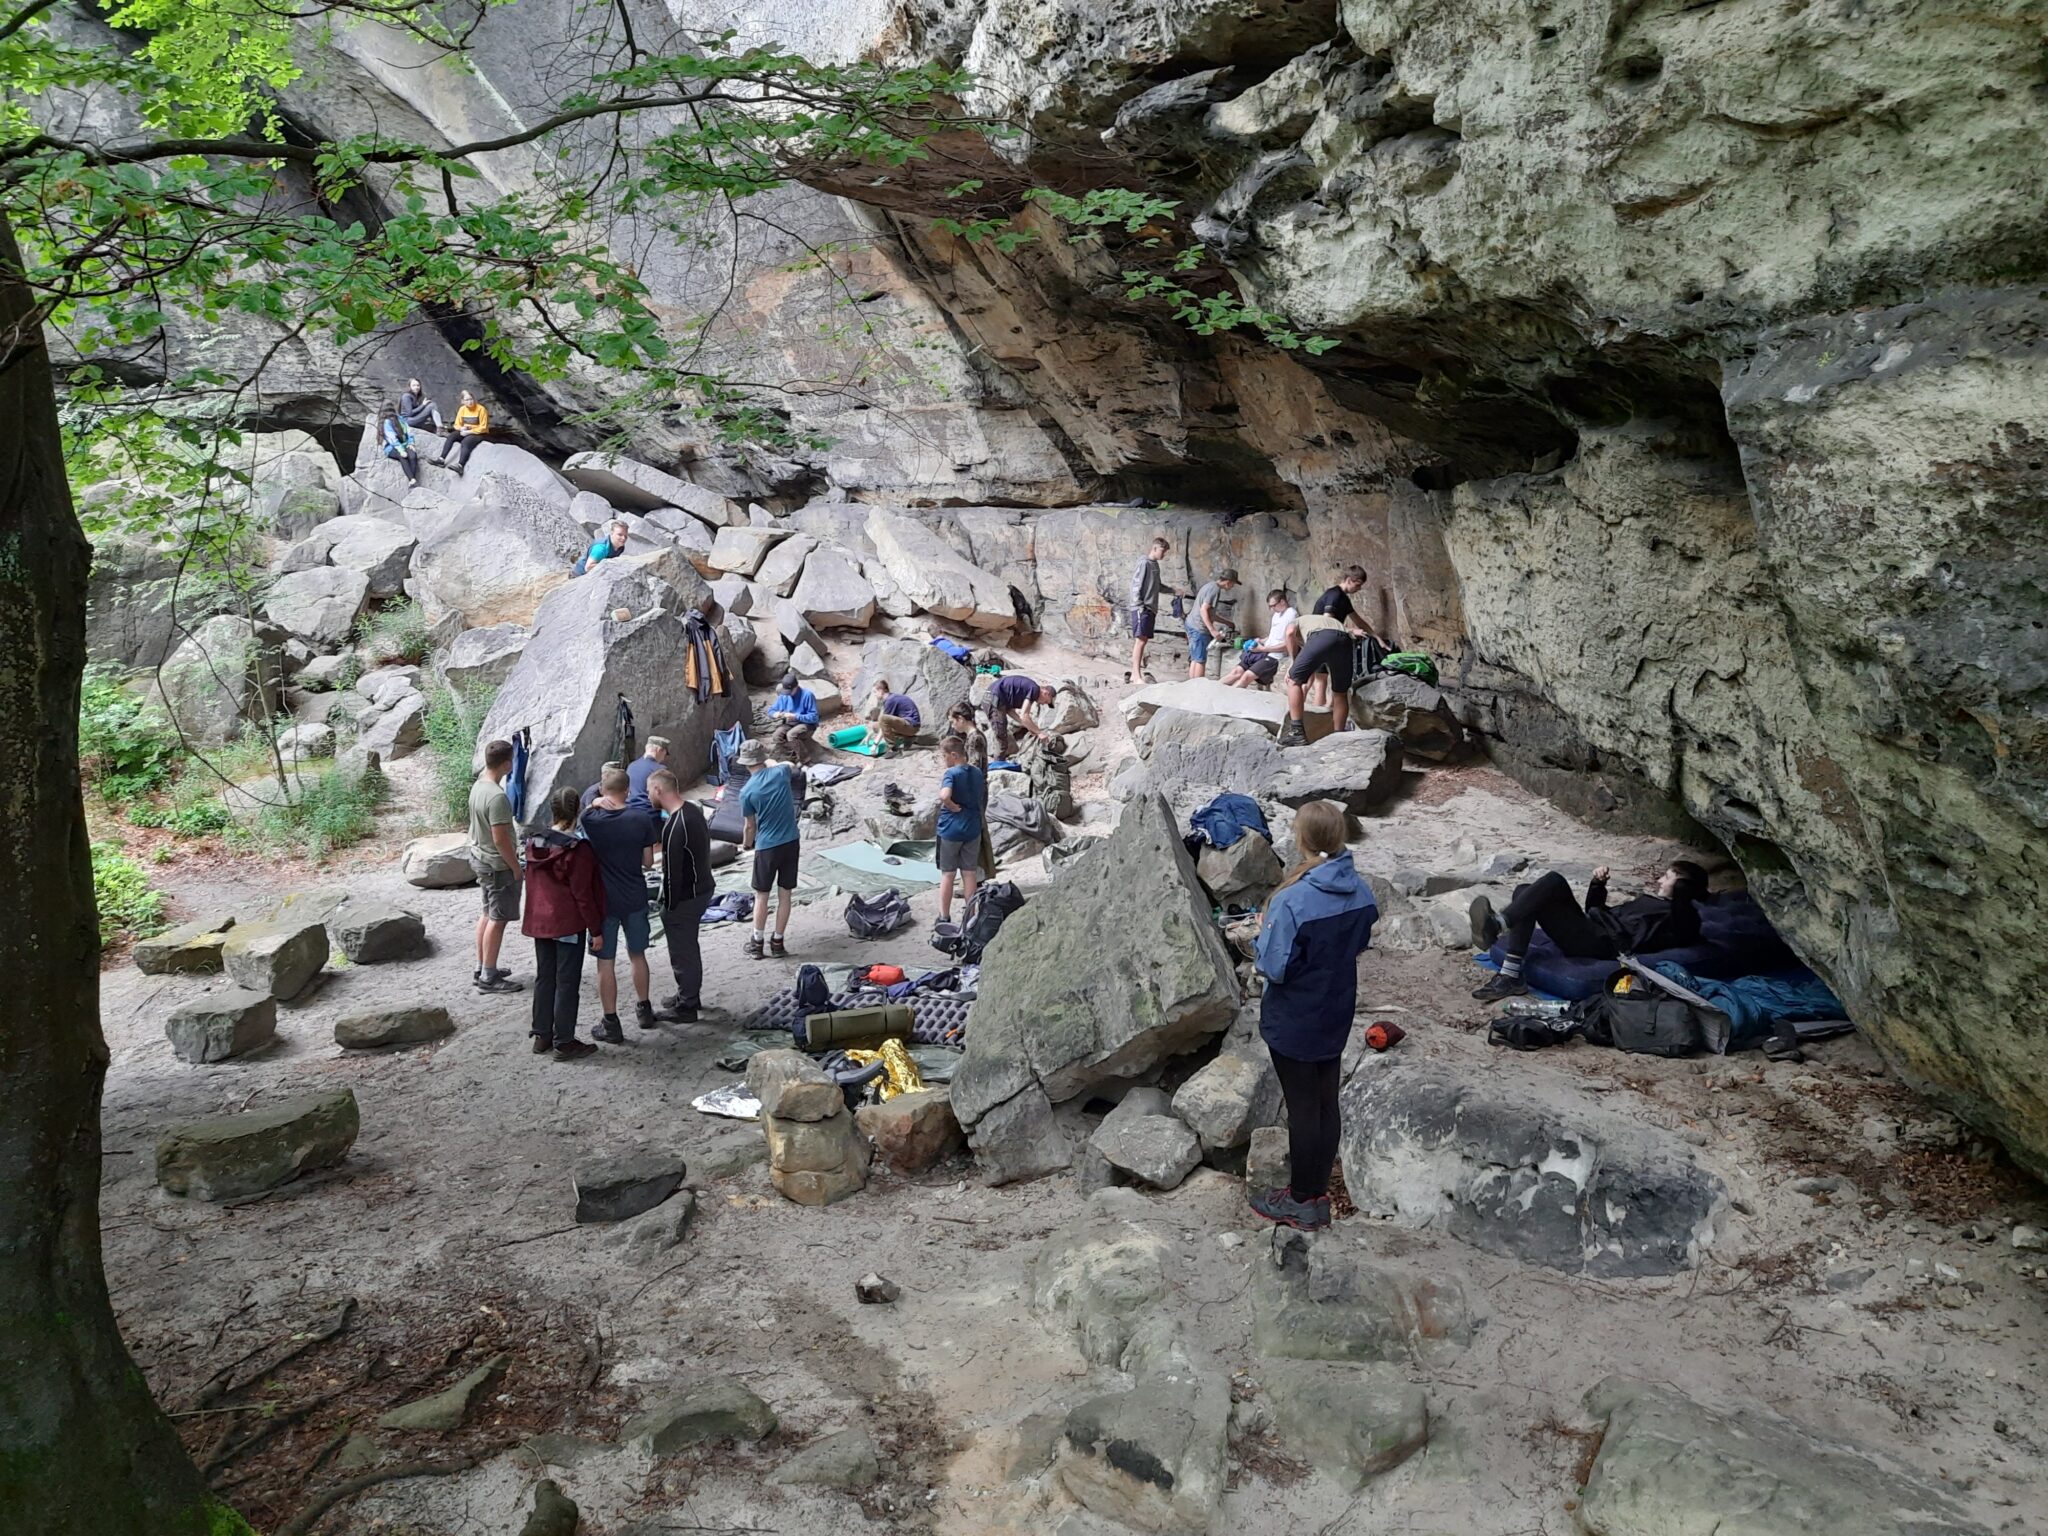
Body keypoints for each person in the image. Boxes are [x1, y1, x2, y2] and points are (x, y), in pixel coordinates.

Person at [1251, 800, 1377, 1232]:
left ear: (1301, 839)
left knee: (1303, 1107)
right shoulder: (1360, 890)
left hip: (1294, 1016)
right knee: (1326, 1101)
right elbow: (1360, 939)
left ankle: (1302, 1199)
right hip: (1335, 1007)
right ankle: (1318, 1192)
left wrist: (1260, 935)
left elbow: (1273, 967)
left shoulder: (1292, 900)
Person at [1470, 861, 1709, 1003]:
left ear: (1682, 887)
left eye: (1667, 877)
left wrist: (1682, 892)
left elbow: (1686, 928)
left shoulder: (1678, 919)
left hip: (1600, 944)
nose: (1659, 880)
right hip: (1591, 929)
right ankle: (1510, 975)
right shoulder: (1649, 902)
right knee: (1525, 890)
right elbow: (1596, 910)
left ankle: (1498, 925)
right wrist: (1598, 885)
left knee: (1554, 881)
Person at [520, 786, 604, 1059]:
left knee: (545, 976)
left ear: (552, 809)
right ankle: (564, 1041)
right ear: (577, 809)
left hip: (540, 921)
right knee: (567, 981)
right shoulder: (578, 850)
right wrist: (596, 929)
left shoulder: (533, 843)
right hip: (567, 923)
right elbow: (583, 895)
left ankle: (542, 1034)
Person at [579, 765, 660, 1039]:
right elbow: (648, 862)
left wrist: (594, 803)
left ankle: (611, 1022)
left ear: (603, 791)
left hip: (605, 901)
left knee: (606, 962)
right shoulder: (641, 818)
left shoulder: (591, 819)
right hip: (635, 895)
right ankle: (644, 1009)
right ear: (628, 790)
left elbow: (583, 814)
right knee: (638, 955)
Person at [647, 768, 714, 1023]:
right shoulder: (692, 810)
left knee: (682, 951)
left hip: (686, 896)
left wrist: (668, 906)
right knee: (688, 947)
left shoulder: (675, 826)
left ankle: (687, 1005)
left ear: (658, 790)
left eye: (648, 791)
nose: (647, 796)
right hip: (701, 888)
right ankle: (688, 995)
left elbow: (672, 874)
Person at [738, 739, 802, 959]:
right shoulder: (780, 773)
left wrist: (746, 844)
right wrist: (771, 762)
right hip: (791, 840)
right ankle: (778, 942)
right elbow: (790, 765)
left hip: (767, 846)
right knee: (785, 894)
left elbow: (750, 826)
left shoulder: (746, 791)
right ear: (763, 758)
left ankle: (757, 942)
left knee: (761, 896)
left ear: (745, 763)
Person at [468, 739, 523, 992]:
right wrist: (516, 868)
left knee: (488, 914)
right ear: (507, 764)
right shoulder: (497, 797)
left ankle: (482, 967)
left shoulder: (479, 784)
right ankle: (489, 977)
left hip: (481, 858)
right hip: (496, 865)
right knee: (498, 919)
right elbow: (500, 839)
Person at [1296, 565, 1379, 707]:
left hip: (1323, 641)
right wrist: (1351, 631)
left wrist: (1377, 637)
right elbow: (1327, 621)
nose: (1359, 589)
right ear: (1349, 580)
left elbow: (1359, 621)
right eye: (1358, 585)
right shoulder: (1334, 595)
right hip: (1321, 639)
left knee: (1311, 681)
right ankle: (1316, 715)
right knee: (1320, 681)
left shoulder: (1344, 599)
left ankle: (1307, 711)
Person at [935, 734, 984, 925]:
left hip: (951, 830)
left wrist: (950, 805)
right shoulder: (977, 772)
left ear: (954, 755)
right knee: (969, 873)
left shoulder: (951, 774)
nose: (943, 759)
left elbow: (944, 795)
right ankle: (971, 917)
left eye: (944, 755)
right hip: (973, 828)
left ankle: (944, 917)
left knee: (948, 874)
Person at [1222, 589, 1299, 689]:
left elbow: (1289, 643)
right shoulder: (1276, 615)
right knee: (1236, 672)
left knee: (1246, 677)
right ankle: (1212, 690)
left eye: (1273, 606)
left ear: (1282, 602)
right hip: (1264, 651)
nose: (1271, 609)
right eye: (1270, 606)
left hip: (1275, 656)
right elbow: (1273, 636)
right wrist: (1261, 641)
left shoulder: (1292, 615)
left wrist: (1263, 649)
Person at [1129, 535, 1172, 684]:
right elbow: (1136, 585)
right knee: (1140, 640)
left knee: (1144, 640)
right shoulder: (1144, 563)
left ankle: (1134, 674)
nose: (1164, 554)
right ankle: (1136, 675)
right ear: (1155, 548)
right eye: (1162, 550)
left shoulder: (1155, 565)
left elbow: (1158, 586)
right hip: (1142, 607)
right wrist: (1139, 605)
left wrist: (1174, 591)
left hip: (1150, 608)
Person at [1185, 568, 1240, 680]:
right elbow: (1203, 610)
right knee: (1200, 660)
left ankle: (1191, 684)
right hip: (1199, 628)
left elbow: (1210, 614)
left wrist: (1227, 622)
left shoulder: (1210, 586)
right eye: (1233, 584)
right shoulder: (1215, 590)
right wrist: (1212, 630)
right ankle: (1198, 686)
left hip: (1191, 624)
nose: (1232, 586)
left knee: (1195, 658)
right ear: (1228, 582)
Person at [986, 672, 1055, 758]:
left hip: (992, 698)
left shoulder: (1029, 689)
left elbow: (1009, 710)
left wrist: (1028, 726)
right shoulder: (1034, 690)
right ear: (1046, 693)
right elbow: (1024, 715)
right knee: (1001, 736)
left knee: (1002, 735)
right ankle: (998, 763)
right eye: (1046, 701)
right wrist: (1039, 733)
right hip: (993, 698)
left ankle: (1000, 761)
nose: (1043, 704)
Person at [768, 672, 819, 764]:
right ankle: (788, 756)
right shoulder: (784, 696)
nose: (788, 694)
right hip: (790, 723)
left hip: (806, 724)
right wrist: (776, 714)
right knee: (777, 735)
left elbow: (814, 717)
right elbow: (771, 710)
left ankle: (806, 760)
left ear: (796, 687)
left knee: (791, 735)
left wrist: (796, 716)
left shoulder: (807, 695)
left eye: (790, 691)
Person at [438, 388, 489, 469]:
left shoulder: (481, 409)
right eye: (467, 400)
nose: (470, 402)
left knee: (465, 442)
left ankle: (460, 465)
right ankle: (441, 459)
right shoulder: (462, 409)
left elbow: (483, 427)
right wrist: (461, 428)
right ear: (463, 401)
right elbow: (456, 425)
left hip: (478, 433)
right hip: (465, 431)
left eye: (471, 399)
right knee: (451, 436)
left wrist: (469, 432)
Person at [863, 679, 921, 746]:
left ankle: (892, 746)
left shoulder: (890, 700)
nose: (874, 695)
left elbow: (883, 722)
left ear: (881, 691)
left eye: (875, 692)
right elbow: (883, 725)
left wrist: (875, 744)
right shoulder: (890, 699)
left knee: (882, 718)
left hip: (911, 726)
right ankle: (908, 738)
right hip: (907, 725)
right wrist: (868, 736)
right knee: (876, 726)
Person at [378, 404, 421, 488]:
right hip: (391, 447)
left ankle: (413, 480)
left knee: (413, 455)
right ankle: (412, 479)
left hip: (405, 444)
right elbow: (392, 439)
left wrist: (411, 443)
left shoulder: (400, 418)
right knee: (403, 456)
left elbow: (409, 431)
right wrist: (401, 451)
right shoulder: (386, 422)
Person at [626, 736, 669, 810]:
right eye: (665, 754)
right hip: (649, 811)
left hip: (629, 809)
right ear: (659, 750)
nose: (663, 758)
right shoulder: (660, 770)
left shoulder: (631, 766)